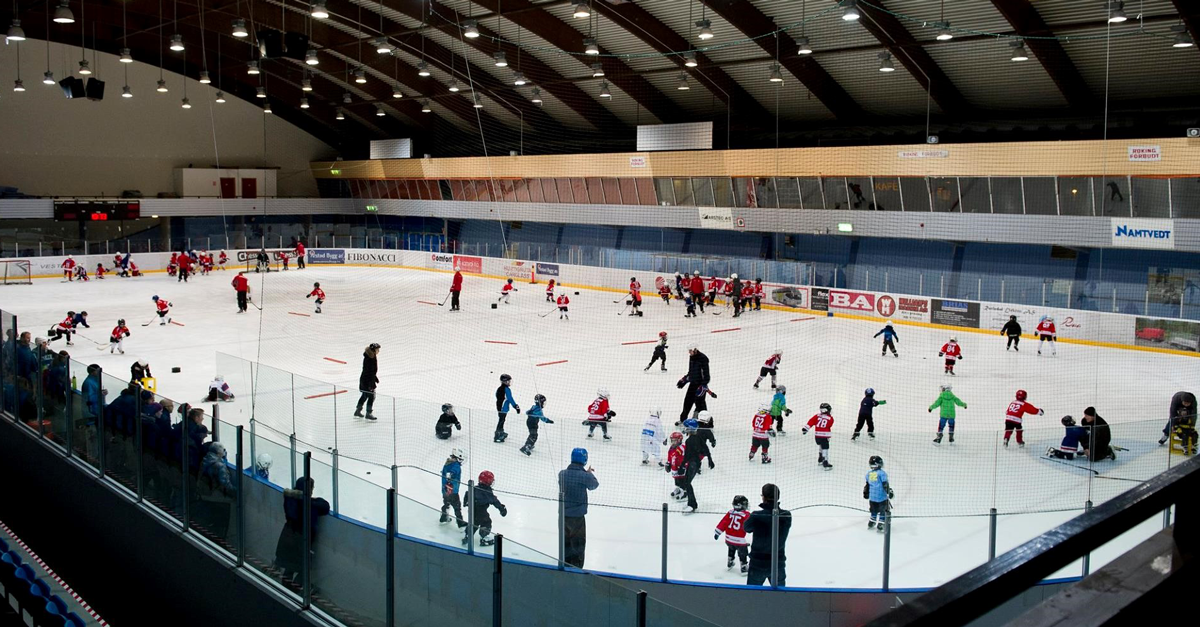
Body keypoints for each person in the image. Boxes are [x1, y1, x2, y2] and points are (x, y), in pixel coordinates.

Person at [275, 477, 331, 585]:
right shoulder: (309, 504)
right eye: (311, 488)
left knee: (289, 566)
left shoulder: (290, 499)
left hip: (288, 535)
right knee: (303, 569)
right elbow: (325, 507)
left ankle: (286, 588)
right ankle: (295, 591)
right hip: (301, 540)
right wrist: (312, 500)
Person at [744, 483, 791, 587]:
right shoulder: (786, 515)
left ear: (764, 498)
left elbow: (746, 528)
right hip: (778, 563)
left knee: (751, 596)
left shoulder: (757, 515)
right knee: (781, 597)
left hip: (757, 563)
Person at [558, 448, 598, 569]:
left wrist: (584, 474)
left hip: (563, 517)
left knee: (565, 544)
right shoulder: (584, 476)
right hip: (577, 519)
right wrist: (588, 473)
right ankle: (576, 570)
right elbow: (594, 485)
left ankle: (564, 567)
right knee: (578, 546)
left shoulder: (562, 474)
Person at [463, 471, 507, 547]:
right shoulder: (487, 492)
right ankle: (484, 538)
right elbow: (494, 500)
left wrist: (466, 502)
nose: (492, 482)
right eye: (491, 481)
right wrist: (501, 508)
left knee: (474, 522)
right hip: (481, 511)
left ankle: (468, 535)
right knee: (486, 522)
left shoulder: (475, 488)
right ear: (487, 481)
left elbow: (467, 493)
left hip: (473, 510)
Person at [714, 495, 751, 573]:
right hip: (739, 541)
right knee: (742, 552)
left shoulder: (730, 513)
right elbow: (749, 526)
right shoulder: (746, 515)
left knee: (731, 548)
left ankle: (730, 561)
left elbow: (723, 523)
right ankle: (744, 566)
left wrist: (717, 533)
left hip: (728, 539)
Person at [677, 344, 711, 425]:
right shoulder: (692, 357)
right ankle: (683, 420)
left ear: (695, 350)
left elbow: (706, 375)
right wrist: (684, 379)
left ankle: (706, 422)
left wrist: (703, 386)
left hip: (700, 385)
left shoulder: (703, 358)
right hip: (693, 384)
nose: (689, 352)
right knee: (687, 402)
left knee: (700, 404)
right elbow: (691, 372)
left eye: (690, 351)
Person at [864, 456, 893, 532]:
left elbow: (867, 485)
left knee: (873, 509)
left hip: (872, 497)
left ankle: (872, 520)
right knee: (883, 509)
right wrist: (889, 491)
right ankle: (881, 523)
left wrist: (866, 492)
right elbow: (885, 484)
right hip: (881, 497)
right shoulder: (882, 473)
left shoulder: (868, 474)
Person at [439, 449, 467, 527]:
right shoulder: (456, 465)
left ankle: (444, 517)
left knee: (446, 503)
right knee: (457, 506)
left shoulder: (447, 463)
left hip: (445, 490)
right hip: (453, 491)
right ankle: (460, 522)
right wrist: (450, 475)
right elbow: (452, 472)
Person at [803, 403, 835, 470]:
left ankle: (820, 459)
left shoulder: (817, 416)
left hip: (817, 436)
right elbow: (830, 425)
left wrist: (806, 428)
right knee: (825, 448)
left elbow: (811, 421)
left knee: (821, 446)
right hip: (825, 436)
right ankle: (825, 462)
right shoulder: (830, 418)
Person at [666, 431, 692, 509]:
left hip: (681, 468)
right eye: (672, 440)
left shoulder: (682, 448)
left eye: (675, 440)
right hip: (674, 468)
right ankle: (679, 488)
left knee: (682, 481)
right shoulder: (671, 448)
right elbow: (670, 456)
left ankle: (684, 492)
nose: (673, 442)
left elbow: (685, 458)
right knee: (676, 480)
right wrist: (668, 463)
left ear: (679, 440)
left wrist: (683, 466)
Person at [354, 343, 380, 420]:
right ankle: (368, 413)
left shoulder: (371, 356)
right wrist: (371, 383)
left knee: (365, 395)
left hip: (365, 379)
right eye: (377, 349)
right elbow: (369, 372)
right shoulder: (370, 358)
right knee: (371, 396)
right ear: (373, 350)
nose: (378, 351)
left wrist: (375, 377)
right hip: (367, 381)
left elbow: (370, 371)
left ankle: (358, 410)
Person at [494, 373, 518, 443]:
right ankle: (497, 435)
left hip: (499, 407)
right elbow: (510, 398)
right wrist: (515, 406)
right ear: (505, 381)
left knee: (502, 420)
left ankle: (501, 432)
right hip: (503, 408)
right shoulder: (507, 389)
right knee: (501, 421)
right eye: (509, 381)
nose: (510, 382)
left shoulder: (499, 388)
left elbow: (496, 396)